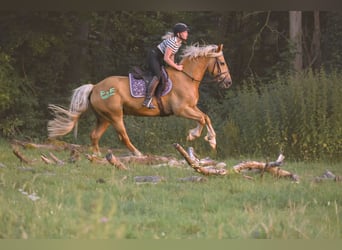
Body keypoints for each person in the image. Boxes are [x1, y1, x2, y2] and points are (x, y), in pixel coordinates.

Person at [142, 22, 190, 109]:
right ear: (179, 34)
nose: (187, 34)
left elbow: (172, 54)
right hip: (153, 56)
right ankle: (147, 100)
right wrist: (177, 67)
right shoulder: (173, 42)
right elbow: (166, 58)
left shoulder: (178, 42)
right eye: (185, 32)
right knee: (158, 76)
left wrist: (174, 65)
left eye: (186, 32)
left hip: (158, 58)